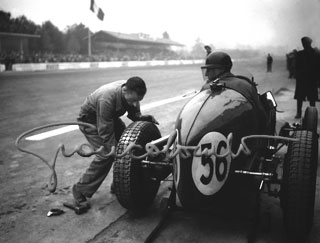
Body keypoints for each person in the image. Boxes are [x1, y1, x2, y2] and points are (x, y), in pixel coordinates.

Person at [72, 76, 158, 207]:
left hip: (109, 118)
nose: (135, 104)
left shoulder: (131, 91)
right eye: (134, 101)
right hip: (90, 121)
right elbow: (104, 130)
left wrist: (143, 118)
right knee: (106, 154)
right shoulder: (106, 98)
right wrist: (113, 149)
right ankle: (80, 191)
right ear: (125, 91)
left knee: (126, 144)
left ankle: (119, 184)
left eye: (138, 101)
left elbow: (134, 114)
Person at [200, 51, 267, 132]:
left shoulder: (206, 87)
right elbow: (261, 115)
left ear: (219, 70)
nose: (206, 74)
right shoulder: (246, 86)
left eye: (210, 70)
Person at [294, 36, 319, 118]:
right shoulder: (301, 54)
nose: (304, 45)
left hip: (310, 79)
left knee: (310, 99)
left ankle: (310, 114)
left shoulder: (315, 53)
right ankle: (300, 113)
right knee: (302, 98)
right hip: (305, 79)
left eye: (305, 43)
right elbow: (296, 67)